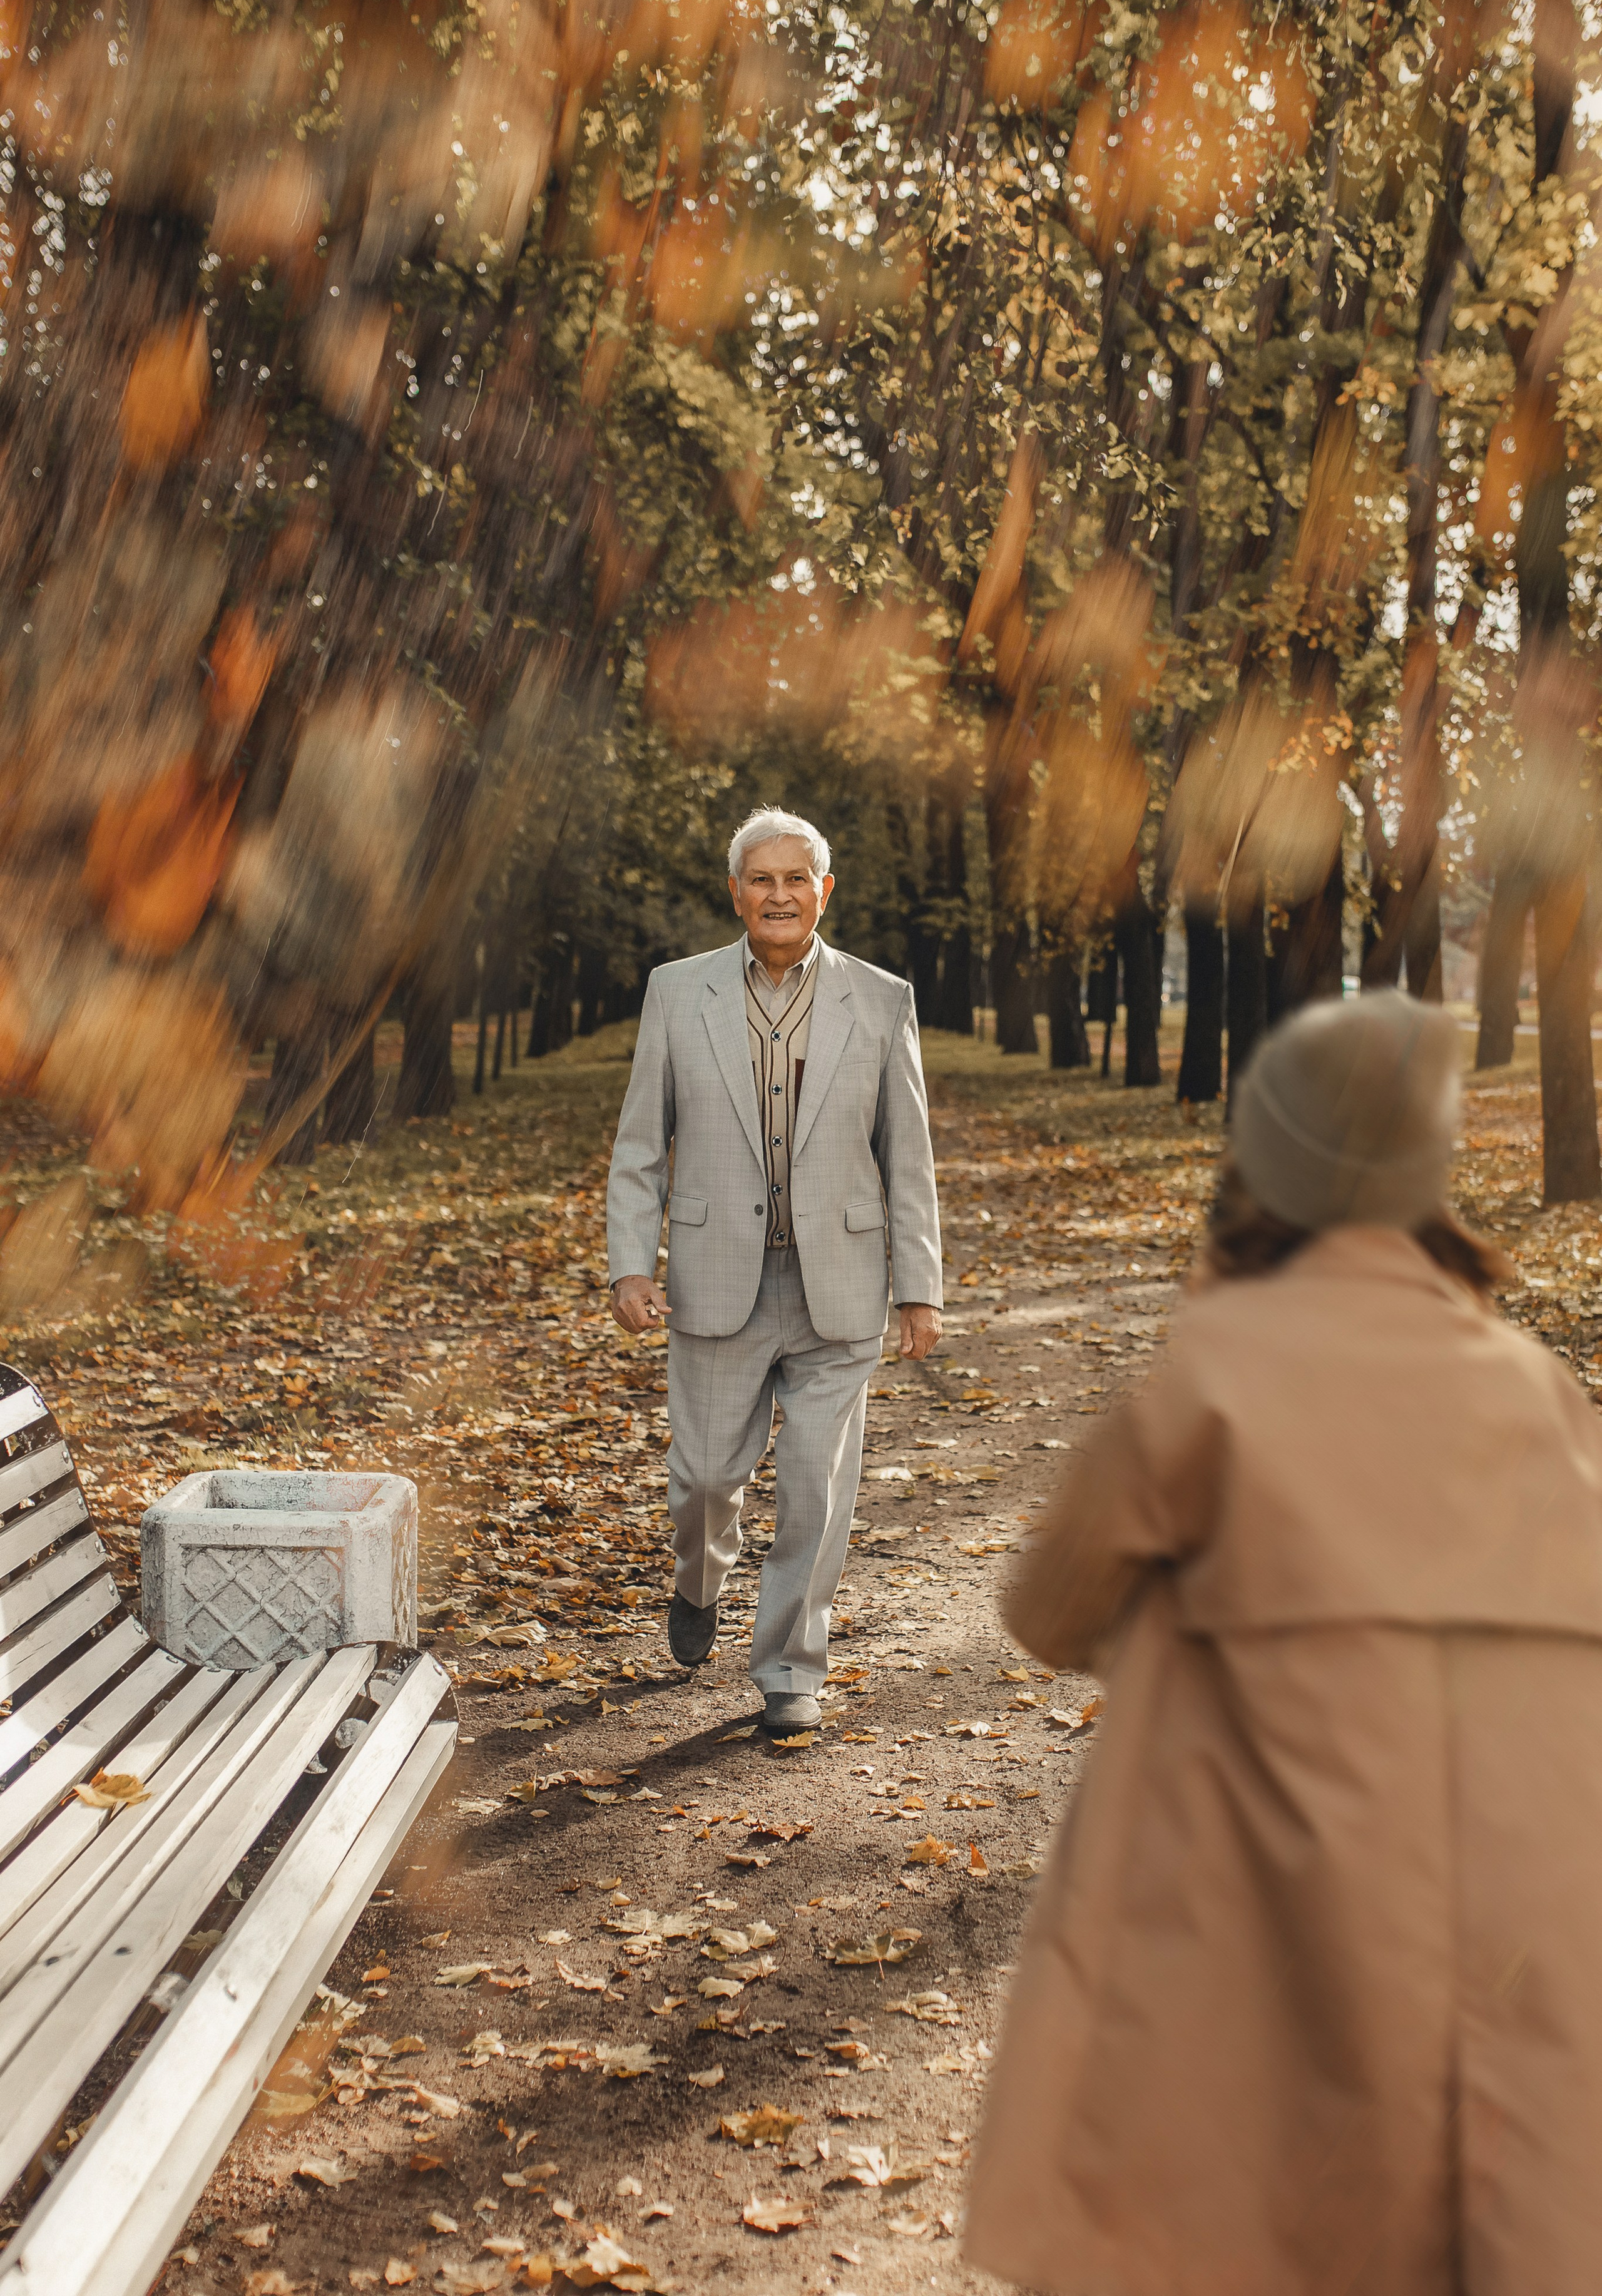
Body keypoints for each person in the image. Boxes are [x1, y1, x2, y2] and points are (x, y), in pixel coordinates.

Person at [967, 988, 1602, 2296]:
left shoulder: (1211, 1371)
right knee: (1489, 2177)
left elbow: (1047, 1607)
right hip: (1526, 1877)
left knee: (1268, 2173)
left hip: (1267, 1870)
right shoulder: (1530, 1385)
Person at [606, 805, 943, 1737]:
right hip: (716, 1283)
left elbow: (906, 1154)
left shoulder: (881, 1000)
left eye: (798, 880)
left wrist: (918, 1285)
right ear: (737, 893)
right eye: (763, 879)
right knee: (707, 1478)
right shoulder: (678, 993)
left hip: (840, 1286)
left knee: (816, 1489)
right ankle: (700, 1576)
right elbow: (641, 1143)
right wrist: (631, 1265)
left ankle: (792, 1669)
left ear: (824, 892)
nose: (781, 895)